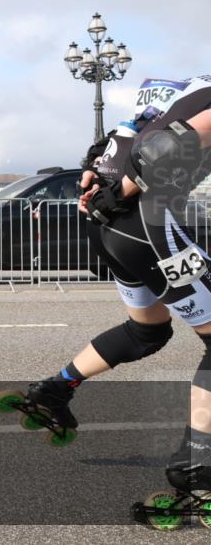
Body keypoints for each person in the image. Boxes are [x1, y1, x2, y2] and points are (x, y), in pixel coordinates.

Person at [25, 74, 211, 493]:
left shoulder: (185, 88)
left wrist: (95, 176)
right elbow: (171, 143)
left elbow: (119, 135)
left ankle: (56, 389)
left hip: (110, 226)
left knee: (146, 331)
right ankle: (197, 465)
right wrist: (125, 188)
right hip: (147, 224)